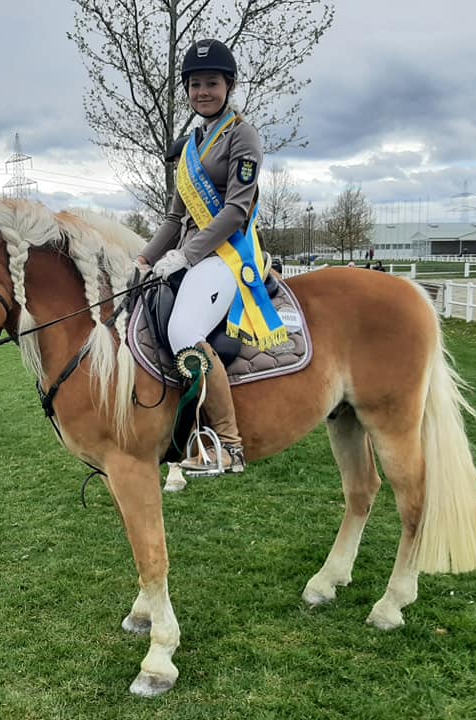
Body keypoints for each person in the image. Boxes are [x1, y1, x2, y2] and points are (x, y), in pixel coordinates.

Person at [136, 38, 286, 478]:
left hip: (227, 254)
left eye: (212, 83)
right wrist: (143, 259)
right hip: (191, 256)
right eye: (195, 84)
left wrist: (186, 255)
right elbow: (173, 217)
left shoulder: (242, 135)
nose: (202, 92)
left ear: (229, 86)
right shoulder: (190, 147)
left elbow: (236, 211)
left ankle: (229, 444)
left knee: (184, 330)